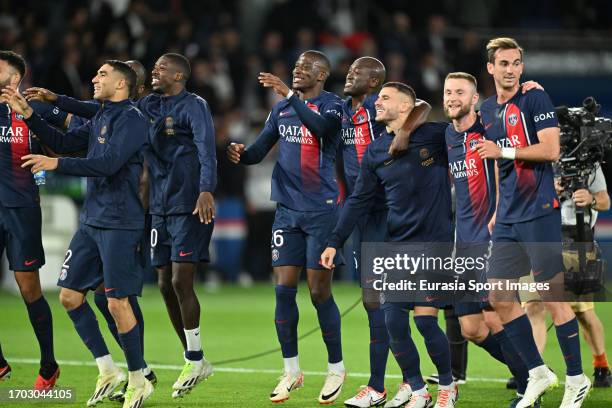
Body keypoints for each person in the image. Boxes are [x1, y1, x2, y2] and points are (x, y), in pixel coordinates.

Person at [27, 53, 217, 399]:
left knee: (141, 292)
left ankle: (176, 362)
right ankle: (124, 369)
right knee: (101, 294)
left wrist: (206, 188)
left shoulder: (165, 111)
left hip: (160, 207)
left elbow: (202, 149)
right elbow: (82, 123)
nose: (95, 79)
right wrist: (45, 107)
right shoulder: (128, 110)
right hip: (139, 208)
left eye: (159, 69)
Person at [2, 60, 153, 408]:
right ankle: (107, 369)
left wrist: (56, 164)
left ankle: (138, 378)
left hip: (119, 222)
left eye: (102, 74)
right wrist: (29, 115)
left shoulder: (132, 119)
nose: (94, 78)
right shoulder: (101, 115)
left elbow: (109, 163)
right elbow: (66, 143)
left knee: (117, 302)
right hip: (92, 220)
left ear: (121, 84)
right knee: (70, 296)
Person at [321, 82, 458, 408]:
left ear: (405, 106)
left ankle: (448, 387)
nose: (377, 103)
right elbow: (358, 200)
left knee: (425, 321)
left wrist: (407, 132)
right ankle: (418, 390)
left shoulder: (433, 135)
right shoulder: (376, 150)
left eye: (384, 98)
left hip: (435, 243)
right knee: (392, 321)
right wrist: (334, 241)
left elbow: (433, 109)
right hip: (399, 245)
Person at [476, 37, 591, 408]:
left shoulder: (535, 98)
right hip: (508, 216)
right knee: (499, 298)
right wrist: (495, 208)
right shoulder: (488, 109)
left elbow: (551, 150)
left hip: (539, 210)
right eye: (503, 64)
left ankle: (577, 378)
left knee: (551, 297)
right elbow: (497, 163)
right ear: (490, 68)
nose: (510, 70)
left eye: (516, 63)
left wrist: (504, 150)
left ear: (522, 67)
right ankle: (539, 373)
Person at [227, 50, 346, 404]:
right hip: (287, 212)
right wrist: (240, 153)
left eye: (306, 68)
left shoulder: (332, 106)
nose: (298, 71)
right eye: (295, 66)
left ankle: (336, 368)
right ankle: (291, 370)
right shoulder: (280, 110)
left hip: (321, 211)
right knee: (283, 288)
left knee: (319, 292)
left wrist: (291, 96)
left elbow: (322, 131)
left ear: (322, 75)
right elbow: (260, 150)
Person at [338, 57, 431, 408]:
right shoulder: (341, 110)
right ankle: (404, 383)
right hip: (365, 214)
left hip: (392, 216)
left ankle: (389, 385)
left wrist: (405, 131)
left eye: (357, 72)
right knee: (375, 303)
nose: (349, 75)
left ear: (376, 82)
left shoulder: (386, 111)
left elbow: (422, 105)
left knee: (391, 305)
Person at [443, 72, 533, 408]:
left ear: (475, 98)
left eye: (460, 92)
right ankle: (534, 372)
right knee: (471, 329)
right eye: (448, 92)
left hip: (493, 240)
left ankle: (529, 387)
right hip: (464, 245)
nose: (453, 98)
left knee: (498, 315)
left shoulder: (490, 128)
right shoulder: (447, 138)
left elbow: (520, 122)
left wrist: (527, 89)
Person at [0, 50, 60, 390]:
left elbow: (60, 147)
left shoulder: (33, 112)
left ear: (14, 77)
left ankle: (49, 364)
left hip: (22, 209)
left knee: (28, 289)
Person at [524, 165, 611, 388]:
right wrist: (545, 190)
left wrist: (590, 198)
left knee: (582, 313)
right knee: (534, 306)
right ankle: (535, 370)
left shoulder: (587, 162)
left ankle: (601, 365)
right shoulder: (535, 156)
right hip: (540, 238)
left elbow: (604, 201)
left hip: (575, 242)